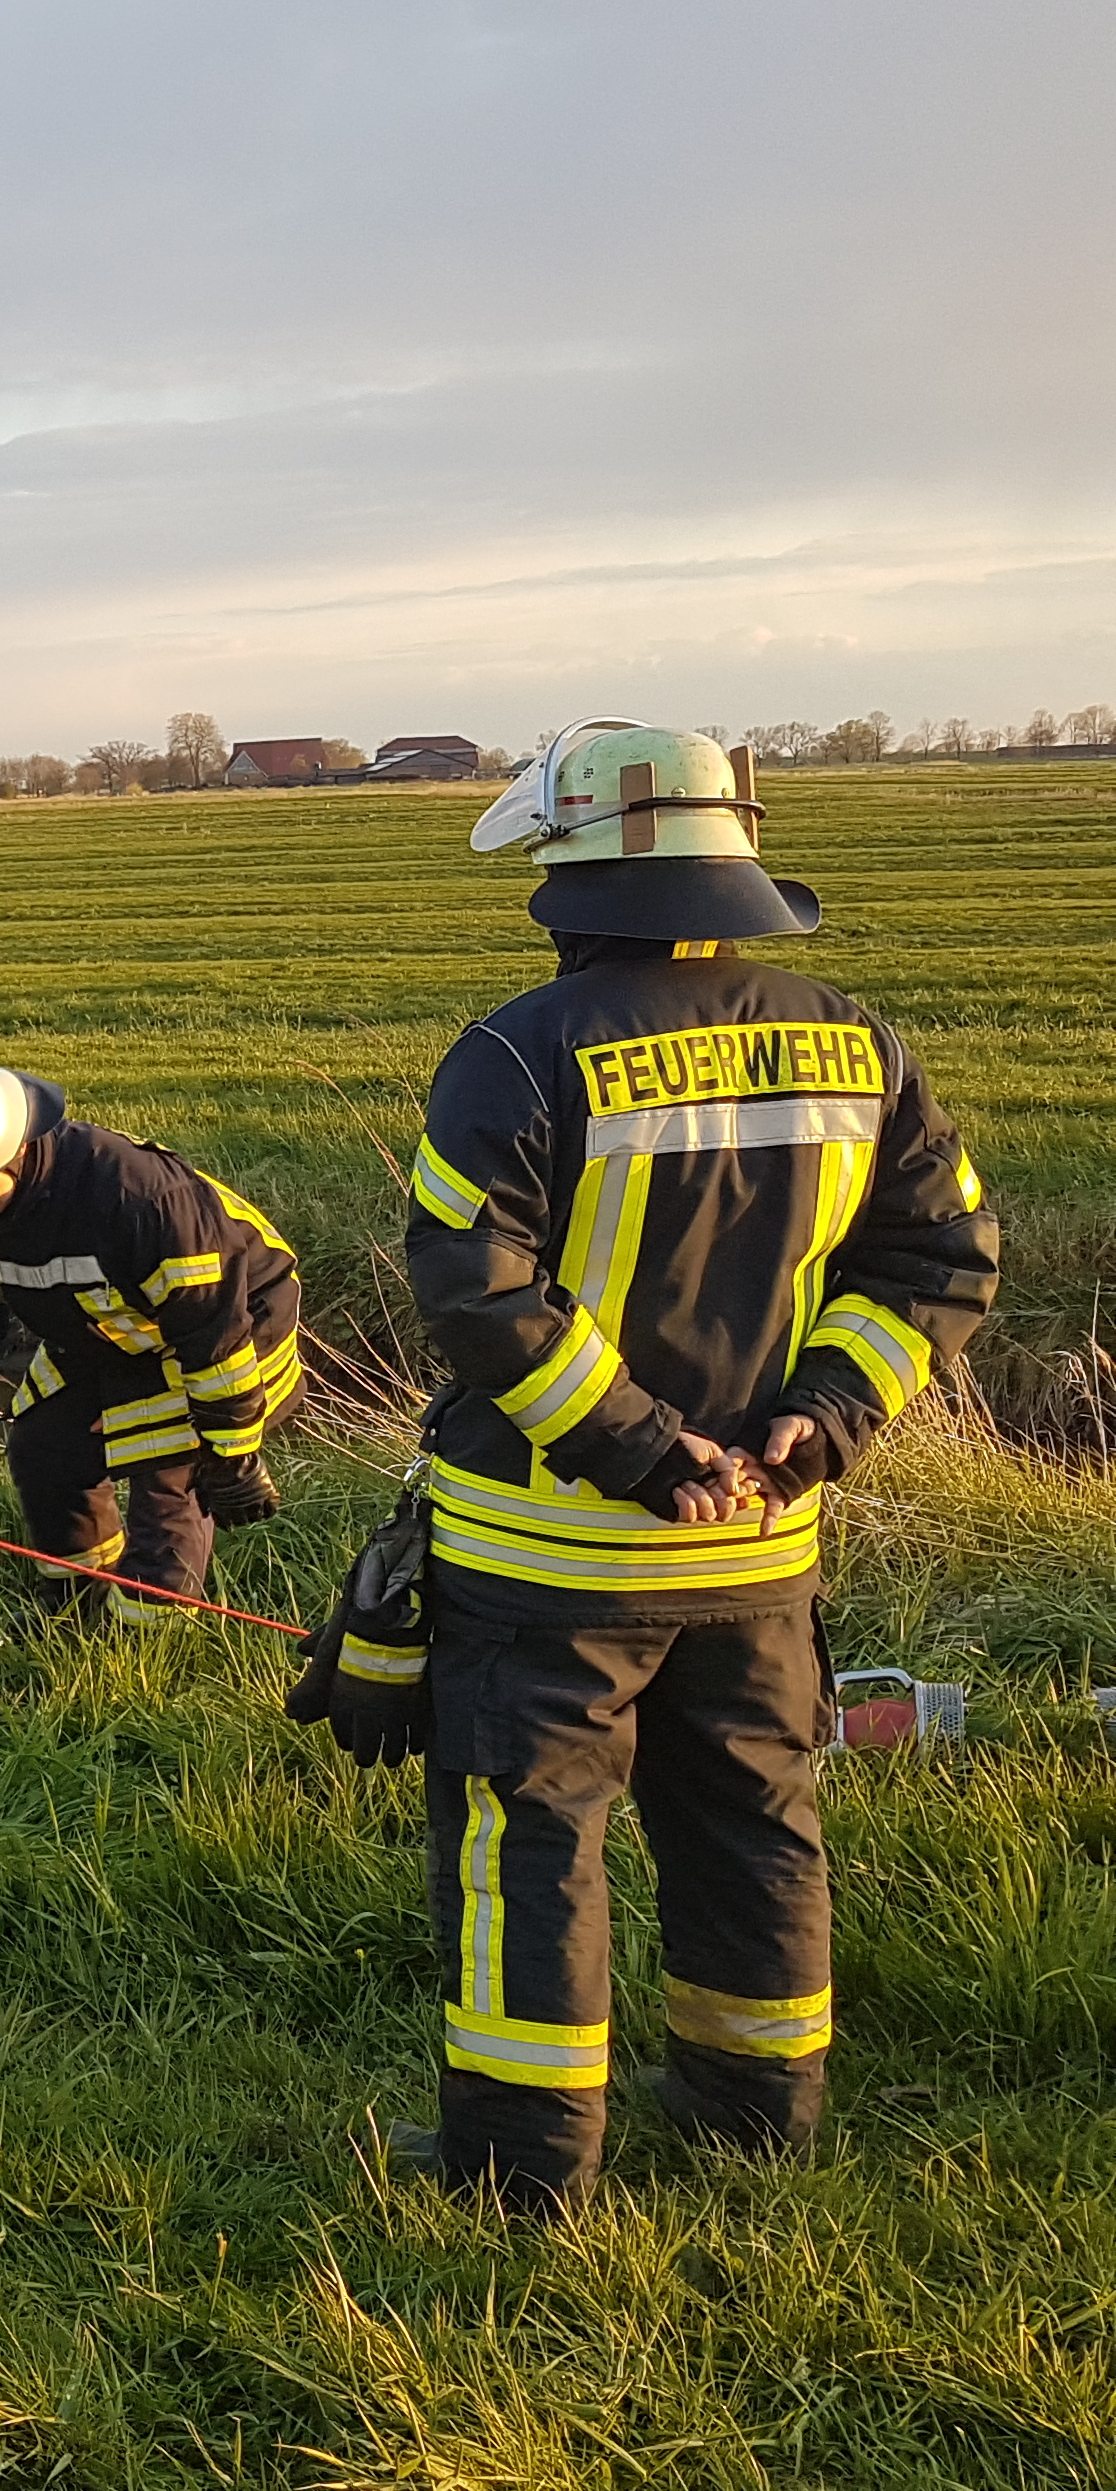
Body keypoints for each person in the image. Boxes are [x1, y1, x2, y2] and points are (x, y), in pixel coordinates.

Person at [397, 721, 996, 2211]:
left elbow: (477, 1292)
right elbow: (942, 1255)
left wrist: (644, 1451)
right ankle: (757, 2119)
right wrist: (826, 1418)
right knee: (752, 1827)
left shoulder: (518, 1053)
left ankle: (520, 2174)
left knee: (530, 1846)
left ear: (575, 878)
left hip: (548, 1562)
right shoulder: (857, 1045)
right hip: (759, 1557)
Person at [0, 1061, 301, 1621]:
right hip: (109, 1334)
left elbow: (211, 1333)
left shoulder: (137, 1197)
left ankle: (143, 1641)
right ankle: (76, 1608)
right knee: (44, 1448)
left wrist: (233, 1455)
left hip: (233, 1327)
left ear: (14, 1149)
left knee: (165, 1479)